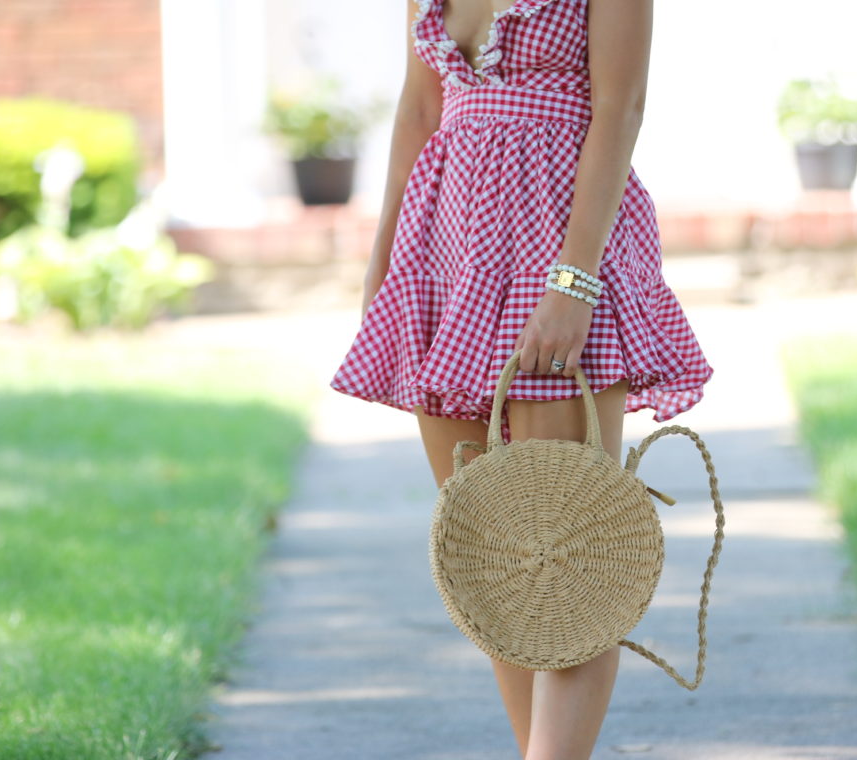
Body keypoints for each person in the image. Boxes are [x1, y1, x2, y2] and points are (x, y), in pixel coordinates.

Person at [329, 0, 713, 756]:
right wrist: (383, 261)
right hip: (446, 250)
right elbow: (418, 107)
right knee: (496, 562)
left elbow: (621, 107)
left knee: (566, 552)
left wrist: (573, 283)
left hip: (556, 243)